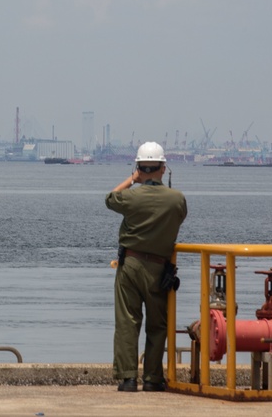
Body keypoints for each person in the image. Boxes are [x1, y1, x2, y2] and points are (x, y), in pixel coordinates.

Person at [105, 141, 187, 393]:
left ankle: (128, 378)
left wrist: (133, 179)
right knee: (157, 324)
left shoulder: (130, 197)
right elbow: (179, 217)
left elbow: (110, 199)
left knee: (128, 321)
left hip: (130, 264)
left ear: (139, 167)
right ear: (163, 168)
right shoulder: (177, 200)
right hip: (159, 269)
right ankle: (152, 378)